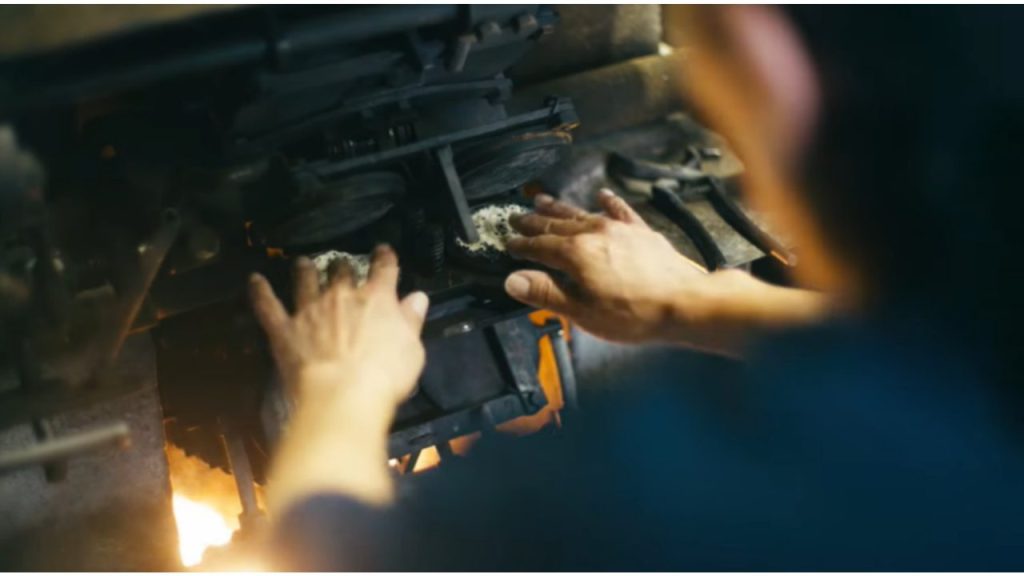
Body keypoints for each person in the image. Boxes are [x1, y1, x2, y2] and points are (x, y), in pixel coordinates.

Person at [250, 6, 1024, 570]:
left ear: (764, 59)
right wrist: (700, 301)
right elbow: (930, 353)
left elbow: (330, 557)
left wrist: (339, 393)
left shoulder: (662, 494)